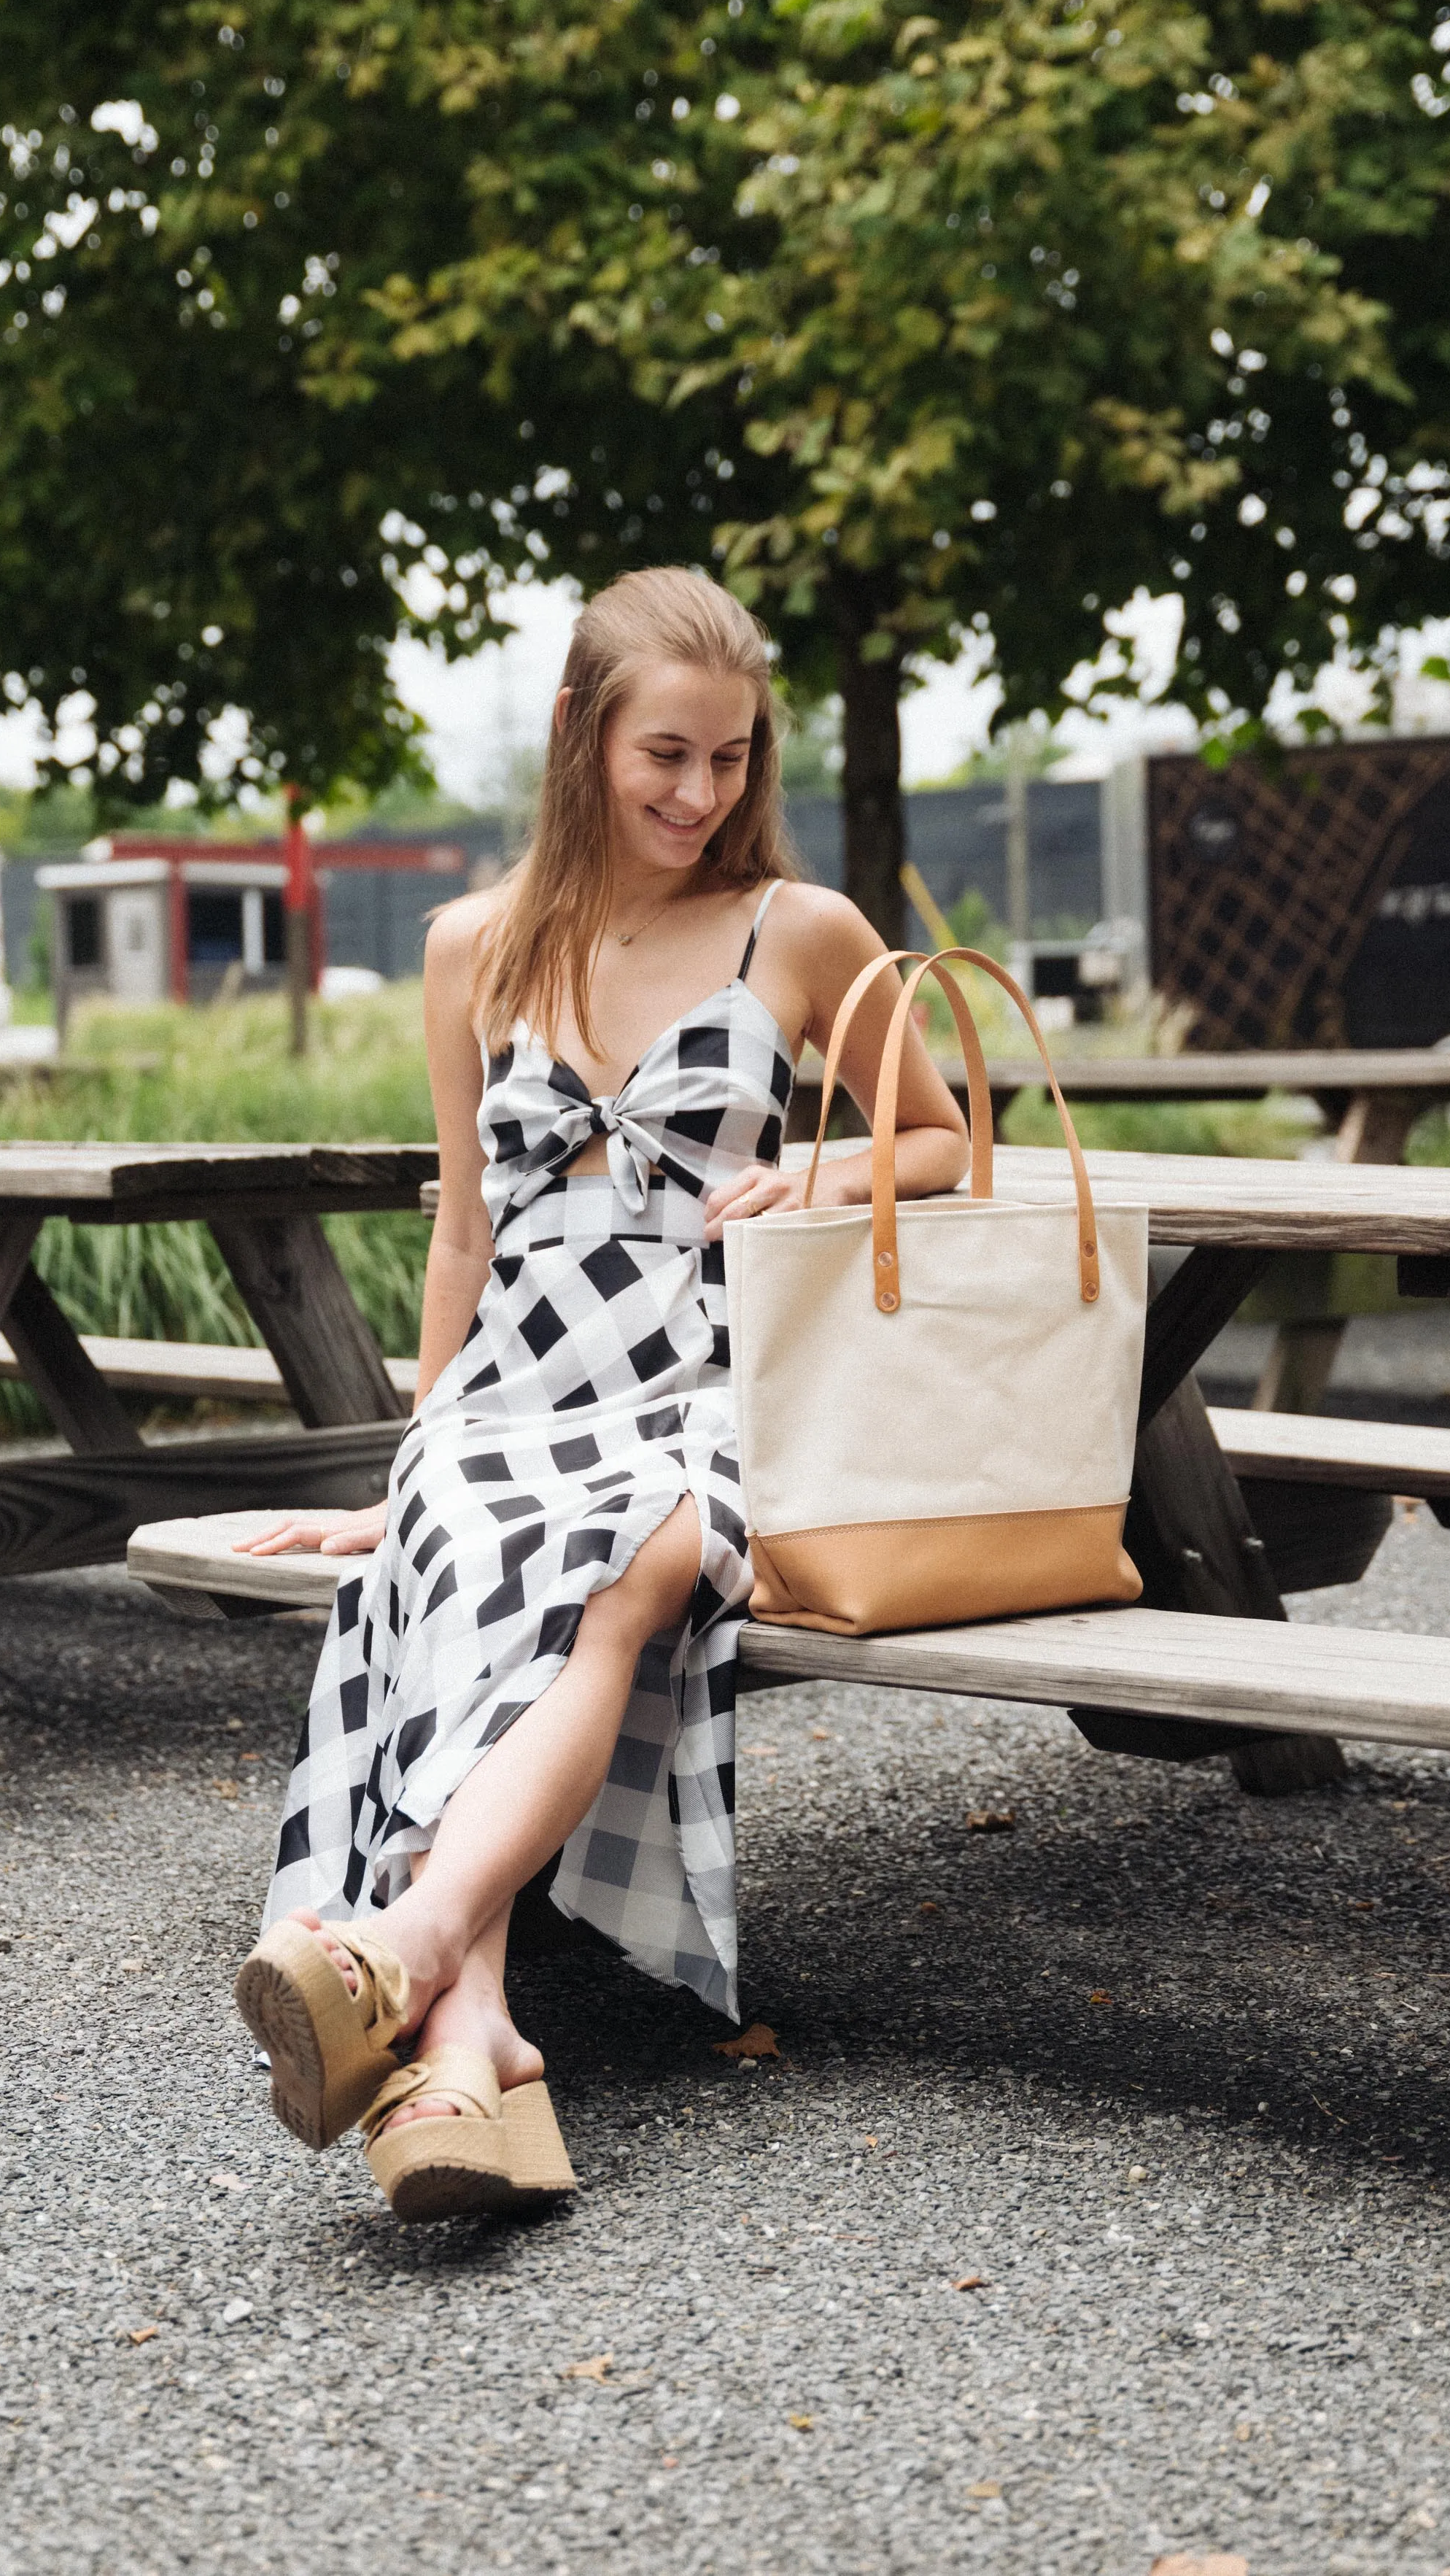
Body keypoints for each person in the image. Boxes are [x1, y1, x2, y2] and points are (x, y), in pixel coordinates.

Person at [230, 565, 969, 2221]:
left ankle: (408, 1952)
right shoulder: (468, 950)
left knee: (624, 1558)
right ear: (581, 736)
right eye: (665, 758)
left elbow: (947, 1135)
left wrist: (830, 1178)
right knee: (476, 1539)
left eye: (730, 759)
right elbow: (463, 1229)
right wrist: (415, 1463)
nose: (700, 796)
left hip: (712, 1382)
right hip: (511, 1395)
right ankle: (472, 2028)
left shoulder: (801, 931)